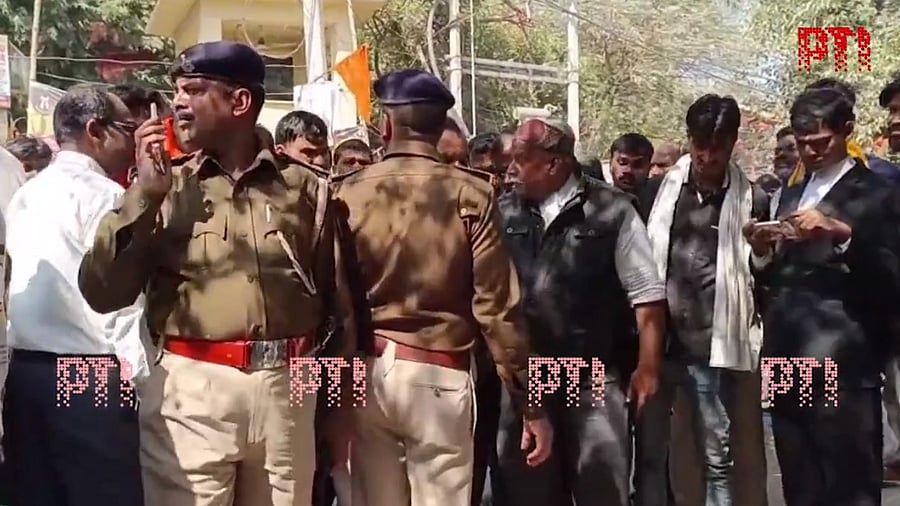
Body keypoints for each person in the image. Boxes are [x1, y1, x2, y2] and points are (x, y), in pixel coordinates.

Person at [77, 41, 356, 506]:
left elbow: (337, 311)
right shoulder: (165, 185)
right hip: (191, 391)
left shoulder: (307, 189)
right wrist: (144, 196)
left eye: (195, 89)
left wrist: (335, 408)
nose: (179, 102)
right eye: (178, 90)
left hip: (290, 388)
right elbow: (103, 292)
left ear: (239, 102)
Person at [331, 68, 553, 506]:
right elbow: (498, 309)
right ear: (439, 128)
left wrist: (331, 397)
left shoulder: (345, 193)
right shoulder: (471, 194)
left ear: (388, 124)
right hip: (439, 373)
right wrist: (533, 403)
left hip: (365, 375)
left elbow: (331, 305)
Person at [496, 117, 666, 506]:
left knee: (601, 490)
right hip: (526, 381)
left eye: (521, 159)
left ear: (554, 164)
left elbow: (647, 295)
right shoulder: (503, 211)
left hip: (589, 380)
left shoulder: (613, 210)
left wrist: (648, 367)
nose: (511, 169)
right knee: (529, 492)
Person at [746, 87, 900, 506]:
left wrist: (842, 234)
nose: (811, 153)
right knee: (800, 481)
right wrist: (761, 250)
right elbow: (772, 275)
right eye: (802, 144)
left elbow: (891, 273)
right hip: (785, 352)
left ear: (846, 131)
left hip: (840, 360)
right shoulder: (791, 192)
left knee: (845, 481)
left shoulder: (878, 191)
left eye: (821, 143)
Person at [4, 84, 147, 506]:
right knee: (105, 492)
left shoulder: (27, 193)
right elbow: (121, 304)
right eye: (127, 127)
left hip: (27, 372)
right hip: (89, 374)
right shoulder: (108, 197)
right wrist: (139, 385)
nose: (134, 138)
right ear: (95, 131)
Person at [644, 94, 769, 506]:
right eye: (699, 142)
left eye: (716, 145)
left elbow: (761, 275)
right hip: (658, 344)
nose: (706, 154)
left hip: (712, 348)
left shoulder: (751, 201)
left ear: (732, 142)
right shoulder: (661, 194)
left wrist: (764, 251)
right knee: (657, 454)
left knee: (718, 456)